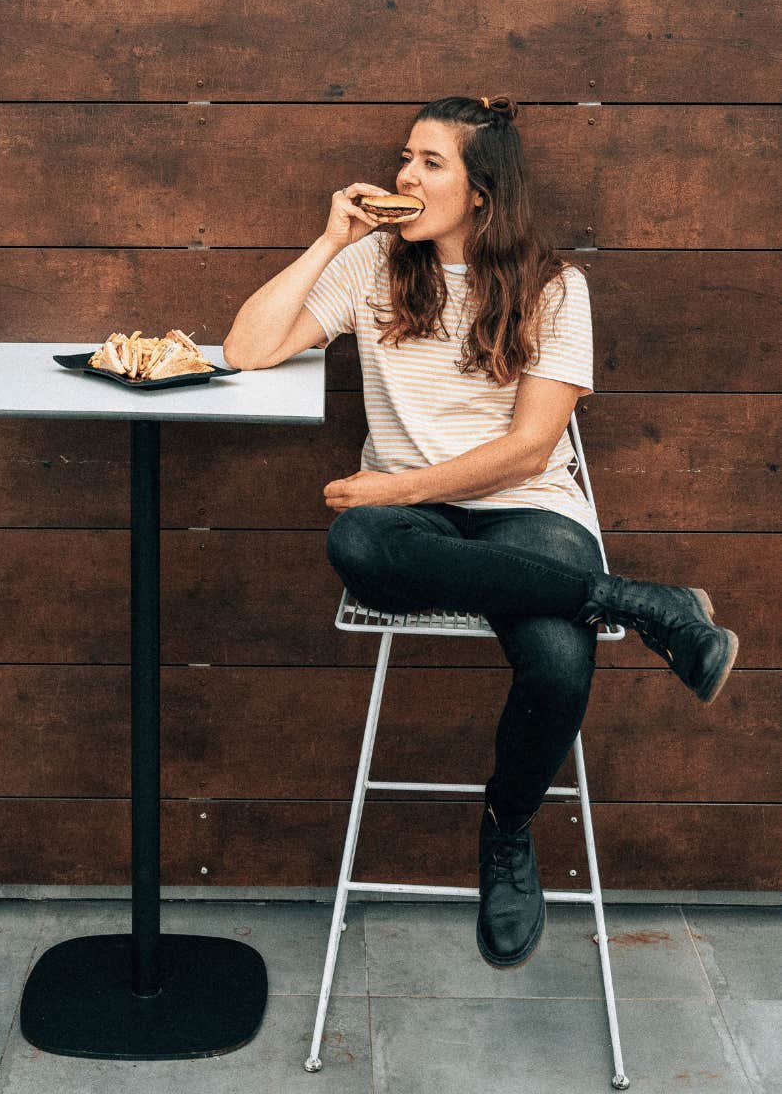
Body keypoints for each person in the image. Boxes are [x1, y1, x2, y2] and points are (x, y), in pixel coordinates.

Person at [222, 94, 739, 971]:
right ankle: (635, 603)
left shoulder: (554, 287)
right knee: (358, 546)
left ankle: (507, 829)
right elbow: (246, 349)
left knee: (559, 658)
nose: (404, 176)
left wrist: (397, 485)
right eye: (405, 159)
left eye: (430, 163)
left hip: (526, 506)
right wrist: (328, 242)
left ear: (482, 193)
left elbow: (527, 449)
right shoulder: (374, 266)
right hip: (414, 523)